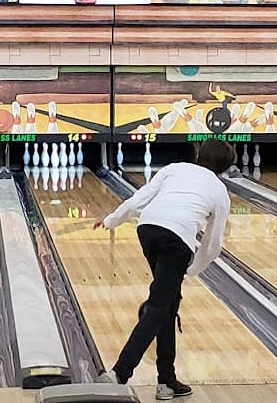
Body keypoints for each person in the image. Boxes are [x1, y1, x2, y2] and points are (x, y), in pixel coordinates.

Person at [95, 138, 236, 400]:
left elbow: (139, 199)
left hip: (147, 228)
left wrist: (112, 220)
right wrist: (193, 269)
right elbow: (213, 243)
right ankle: (119, 373)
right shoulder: (219, 191)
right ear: (225, 168)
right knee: (159, 307)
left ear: (198, 154)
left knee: (168, 305)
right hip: (177, 240)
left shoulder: (175, 168)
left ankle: (166, 381)